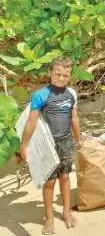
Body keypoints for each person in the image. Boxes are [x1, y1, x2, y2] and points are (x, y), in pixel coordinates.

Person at [19, 57, 82, 235]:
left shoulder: (71, 93)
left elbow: (74, 118)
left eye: (66, 75)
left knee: (65, 177)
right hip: (48, 145)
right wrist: (23, 145)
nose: (61, 78)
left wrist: (79, 140)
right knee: (50, 181)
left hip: (67, 142)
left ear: (69, 76)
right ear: (49, 73)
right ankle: (49, 218)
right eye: (58, 74)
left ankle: (67, 212)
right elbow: (31, 122)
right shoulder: (40, 94)